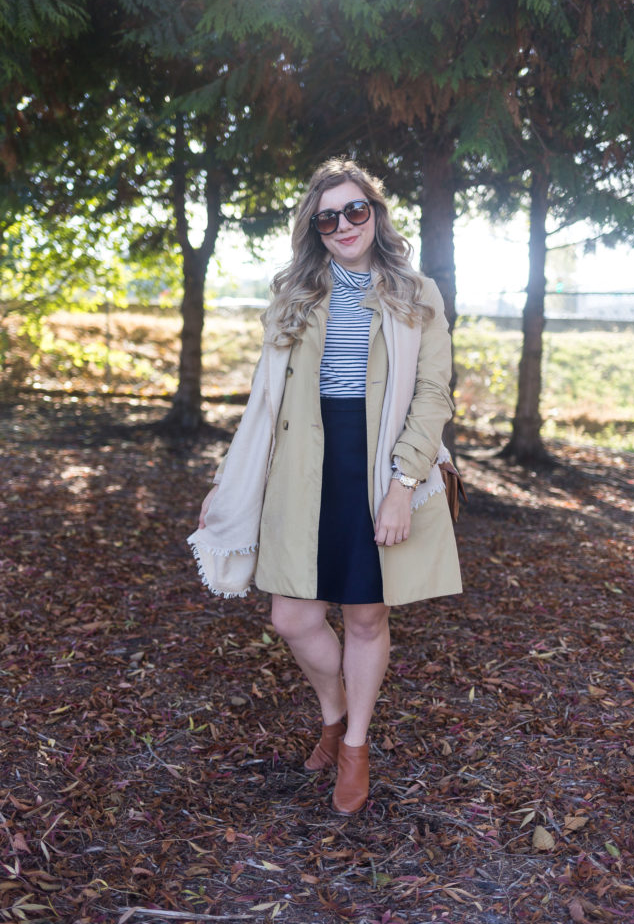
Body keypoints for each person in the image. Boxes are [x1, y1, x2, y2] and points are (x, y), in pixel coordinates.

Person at [188, 157, 462, 815]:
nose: (343, 224)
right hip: (299, 466)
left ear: (375, 213)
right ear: (315, 227)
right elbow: (261, 401)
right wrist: (229, 484)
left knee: (366, 615)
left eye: (355, 210)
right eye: (328, 216)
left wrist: (402, 484)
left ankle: (354, 747)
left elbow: (431, 395)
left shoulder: (416, 292)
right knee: (292, 616)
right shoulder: (295, 293)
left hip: (377, 464)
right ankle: (332, 711)